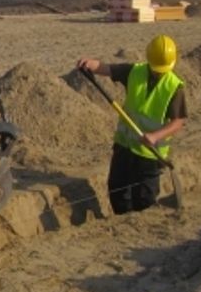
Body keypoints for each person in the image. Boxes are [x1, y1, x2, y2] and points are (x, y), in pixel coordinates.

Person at [76, 34, 187, 214]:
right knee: (117, 188)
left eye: (162, 69)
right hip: (125, 145)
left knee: (144, 197)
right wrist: (91, 64)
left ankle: (141, 222)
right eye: (156, 68)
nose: (159, 72)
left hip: (150, 153)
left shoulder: (174, 87)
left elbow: (178, 121)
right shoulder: (135, 71)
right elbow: (109, 69)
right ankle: (123, 220)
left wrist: (155, 136)